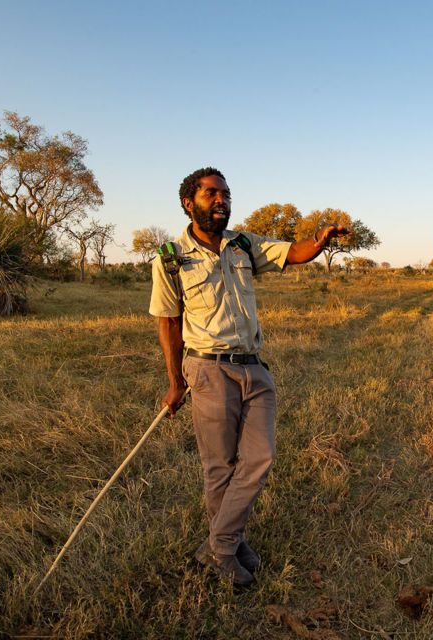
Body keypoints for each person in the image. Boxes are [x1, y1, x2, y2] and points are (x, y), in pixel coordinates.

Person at [149, 167, 348, 587]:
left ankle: (218, 546)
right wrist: (175, 381)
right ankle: (231, 548)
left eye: (225, 194)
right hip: (207, 367)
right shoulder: (169, 257)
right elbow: (167, 322)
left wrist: (318, 242)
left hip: (253, 366)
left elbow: (289, 253)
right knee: (220, 465)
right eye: (211, 194)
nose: (221, 200)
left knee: (259, 458)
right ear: (189, 203)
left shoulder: (243, 244)